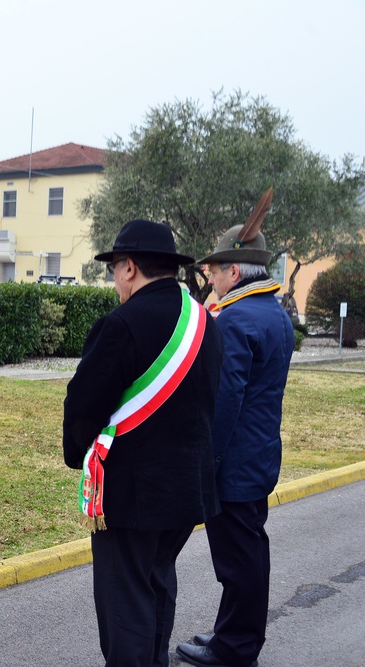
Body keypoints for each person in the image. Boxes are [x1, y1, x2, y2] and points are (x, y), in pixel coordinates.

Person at [63, 220, 223, 667]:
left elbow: (83, 403)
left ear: (129, 267)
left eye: (115, 269)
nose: (115, 281)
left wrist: (78, 455)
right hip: (187, 490)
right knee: (157, 584)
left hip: (132, 496)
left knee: (125, 605)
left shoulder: (121, 325)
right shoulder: (204, 323)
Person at [176, 209, 295, 667]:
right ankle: (232, 635)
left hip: (235, 464)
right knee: (247, 555)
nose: (209, 276)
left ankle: (236, 649)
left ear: (233, 271)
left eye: (214, 268)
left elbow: (222, 403)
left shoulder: (236, 320)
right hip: (259, 455)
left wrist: (209, 460)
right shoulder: (273, 314)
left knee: (238, 562)